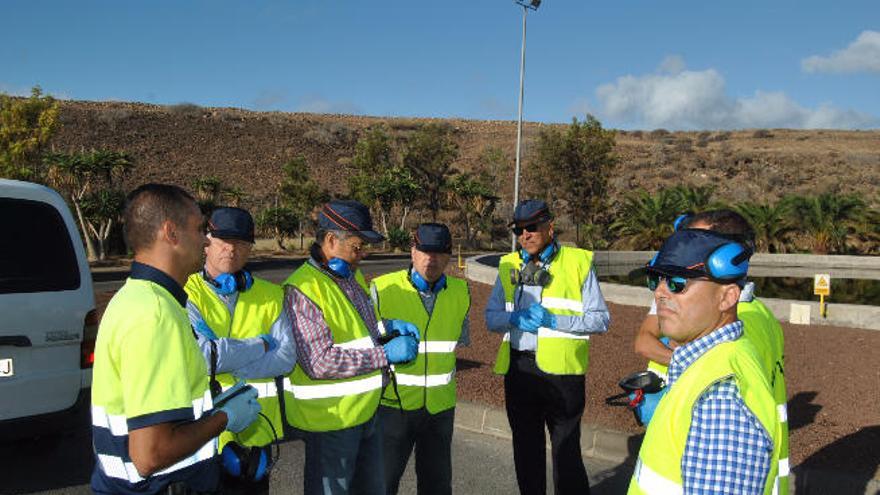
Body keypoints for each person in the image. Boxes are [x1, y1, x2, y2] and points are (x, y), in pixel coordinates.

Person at [90, 184, 261, 495]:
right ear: (171, 233)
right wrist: (225, 417)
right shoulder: (155, 314)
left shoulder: (136, 298)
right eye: (199, 229)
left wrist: (212, 408)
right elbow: (151, 454)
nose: (207, 239)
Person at [632, 210, 789, 493]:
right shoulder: (703, 367)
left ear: (728, 297)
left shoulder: (720, 401)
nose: (660, 293)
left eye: (678, 283)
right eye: (656, 279)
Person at [282, 200, 420, 495]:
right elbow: (319, 362)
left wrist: (387, 327)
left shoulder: (351, 275)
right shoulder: (302, 289)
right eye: (357, 247)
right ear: (331, 240)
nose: (363, 255)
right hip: (331, 421)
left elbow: (358, 329)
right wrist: (386, 354)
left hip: (367, 412)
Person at [485, 199, 610, 495]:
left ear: (549, 227)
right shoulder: (508, 265)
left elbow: (601, 320)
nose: (524, 235)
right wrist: (514, 318)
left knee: (566, 453)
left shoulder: (577, 263)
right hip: (520, 370)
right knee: (526, 451)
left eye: (531, 227)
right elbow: (491, 318)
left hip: (563, 374)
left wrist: (554, 320)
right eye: (518, 229)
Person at [183, 207, 297, 493]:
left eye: (241, 244)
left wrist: (227, 359)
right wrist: (260, 344)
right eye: (223, 242)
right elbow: (203, 356)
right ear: (206, 242)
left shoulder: (271, 295)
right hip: (201, 434)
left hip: (256, 429)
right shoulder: (185, 291)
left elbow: (285, 358)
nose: (231, 250)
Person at [370, 223, 471, 495]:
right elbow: (363, 343)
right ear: (412, 251)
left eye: (439, 252)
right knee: (382, 484)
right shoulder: (382, 288)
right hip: (393, 406)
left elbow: (453, 345)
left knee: (437, 486)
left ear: (449, 255)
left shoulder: (461, 293)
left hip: (439, 409)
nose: (431, 259)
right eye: (424, 250)